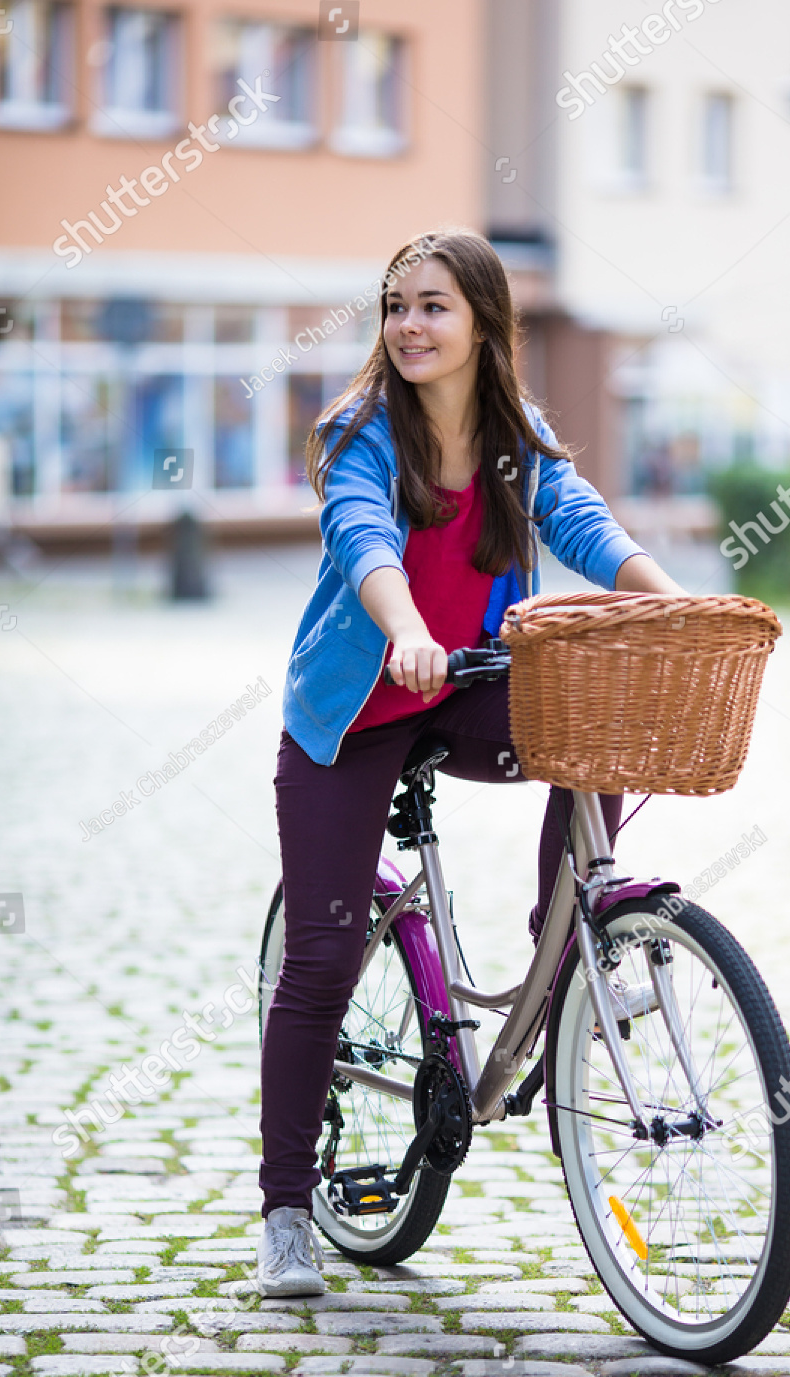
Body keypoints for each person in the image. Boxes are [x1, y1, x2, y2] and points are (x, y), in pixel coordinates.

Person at [257, 228, 687, 1294]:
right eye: (396, 305)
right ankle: (281, 1210)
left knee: (595, 719)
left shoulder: (514, 435)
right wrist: (402, 627)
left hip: (464, 684)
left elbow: (577, 520)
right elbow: (362, 536)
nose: (408, 324)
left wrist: (665, 597)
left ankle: (571, 929)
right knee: (316, 963)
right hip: (357, 709)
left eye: (432, 306)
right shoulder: (358, 431)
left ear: (484, 324)